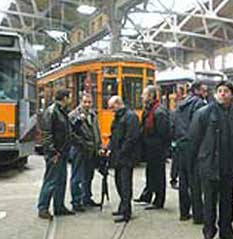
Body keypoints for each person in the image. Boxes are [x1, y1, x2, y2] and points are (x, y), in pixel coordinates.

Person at [189, 81, 233, 239]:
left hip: (228, 166)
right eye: (219, 91)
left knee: (227, 201)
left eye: (226, 91)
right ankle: (208, 232)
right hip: (210, 165)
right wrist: (197, 163)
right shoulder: (204, 113)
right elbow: (194, 139)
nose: (222, 94)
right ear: (215, 95)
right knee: (210, 202)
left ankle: (226, 231)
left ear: (232, 95)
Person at [173, 81, 207, 222]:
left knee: (183, 180)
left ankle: (184, 213)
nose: (206, 93)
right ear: (197, 90)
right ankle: (198, 215)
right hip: (193, 145)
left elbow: (174, 123)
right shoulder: (199, 104)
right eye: (204, 90)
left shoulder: (181, 104)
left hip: (180, 145)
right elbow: (198, 126)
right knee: (195, 181)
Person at [37, 89, 73, 219]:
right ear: (64, 98)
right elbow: (47, 134)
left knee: (61, 180)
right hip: (55, 153)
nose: (70, 100)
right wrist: (52, 152)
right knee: (51, 180)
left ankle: (59, 206)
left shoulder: (62, 111)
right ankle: (43, 208)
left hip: (62, 152)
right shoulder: (52, 111)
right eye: (69, 97)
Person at [136, 85, 172, 210]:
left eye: (144, 94)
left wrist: (163, 149)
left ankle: (159, 201)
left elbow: (164, 132)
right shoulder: (149, 109)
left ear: (150, 96)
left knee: (158, 175)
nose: (142, 96)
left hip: (157, 149)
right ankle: (147, 195)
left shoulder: (159, 111)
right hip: (150, 148)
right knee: (150, 173)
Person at [108, 95, 141, 223]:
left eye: (112, 107)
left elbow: (132, 137)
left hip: (126, 157)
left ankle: (126, 211)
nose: (111, 110)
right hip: (119, 155)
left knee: (125, 184)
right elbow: (114, 135)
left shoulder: (130, 116)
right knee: (119, 182)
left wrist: (122, 151)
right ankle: (123, 207)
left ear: (118, 104)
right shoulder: (119, 117)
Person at [68, 91, 101, 212]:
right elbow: (71, 134)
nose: (87, 104)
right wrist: (83, 143)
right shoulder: (73, 115)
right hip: (79, 150)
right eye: (85, 102)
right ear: (80, 102)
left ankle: (87, 198)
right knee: (77, 177)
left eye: (89, 102)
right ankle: (76, 202)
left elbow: (96, 131)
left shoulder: (93, 114)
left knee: (89, 175)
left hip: (91, 150)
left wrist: (99, 146)